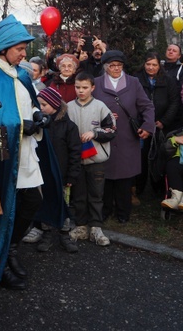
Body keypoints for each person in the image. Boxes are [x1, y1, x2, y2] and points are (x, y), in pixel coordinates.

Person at [0, 14, 66, 290]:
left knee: (32, 200)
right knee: (2, 207)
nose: (24, 53)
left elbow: (30, 102)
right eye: (20, 48)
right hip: (3, 156)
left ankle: (9, 249)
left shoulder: (22, 73)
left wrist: (38, 115)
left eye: (25, 48)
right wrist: (24, 124)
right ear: (3, 48)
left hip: (26, 150)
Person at [92, 50, 155, 223]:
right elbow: (89, 106)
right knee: (105, 175)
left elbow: (147, 106)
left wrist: (148, 126)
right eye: (112, 66)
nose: (116, 69)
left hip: (127, 136)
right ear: (105, 67)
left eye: (119, 65)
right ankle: (105, 210)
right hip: (104, 138)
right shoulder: (96, 83)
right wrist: (103, 116)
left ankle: (123, 212)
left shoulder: (133, 82)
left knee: (125, 177)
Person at [67, 72, 116, 246]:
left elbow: (111, 130)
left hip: (97, 160)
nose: (81, 91)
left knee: (96, 194)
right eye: (78, 87)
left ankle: (96, 227)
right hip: (76, 160)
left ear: (92, 88)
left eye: (85, 88)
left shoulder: (101, 106)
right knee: (79, 195)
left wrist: (95, 133)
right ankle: (81, 226)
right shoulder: (68, 108)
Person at [35, 87, 82, 253]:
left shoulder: (69, 127)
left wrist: (72, 175)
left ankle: (64, 234)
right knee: (46, 202)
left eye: (44, 104)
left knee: (64, 203)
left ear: (55, 105)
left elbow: (75, 153)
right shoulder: (40, 125)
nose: (40, 108)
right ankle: (46, 232)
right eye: (38, 104)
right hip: (43, 173)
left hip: (62, 175)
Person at [134, 52, 181, 199]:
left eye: (154, 64)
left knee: (160, 155)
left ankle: (159, 188)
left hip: (162, 125)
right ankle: (138, 188)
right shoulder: (136, 79)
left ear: (159, 66)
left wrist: (164, 121)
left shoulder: (168, 80)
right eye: (148, 64)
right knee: (141, 156)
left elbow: (174, 102)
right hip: (141, 125)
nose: (151, 67)